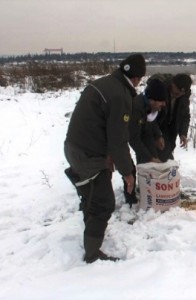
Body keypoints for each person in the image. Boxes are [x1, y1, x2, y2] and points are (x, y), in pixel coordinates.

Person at [64, 54, 146, 263]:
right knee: (103, 203)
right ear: (137, 78)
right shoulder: (120, 96)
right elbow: (118, 139)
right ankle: (92, 254)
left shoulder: (105, 83)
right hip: (88, 155)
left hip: (75, 148)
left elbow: (103, 127)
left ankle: (91, 234)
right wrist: (128, 173)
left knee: (93, 196)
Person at [123, 78, 167, 206]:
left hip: (143, 132)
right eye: (161, 102)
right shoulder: (135, 108)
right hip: (120, 138)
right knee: (128, 167)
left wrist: (158, 136)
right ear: (152, 99)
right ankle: (130, 199)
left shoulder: (150, 106)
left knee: (152, 159)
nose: (163, 104)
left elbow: (151, 122)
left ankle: (149, 192)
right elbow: (134, 139)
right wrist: (149, 157)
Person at [157, 73, 192, 162]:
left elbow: (185, 115)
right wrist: (157, 134)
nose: (179, 94)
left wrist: (183, 133)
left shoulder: (184, 96)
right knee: (162, 157)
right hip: (157, 127)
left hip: (172, 129)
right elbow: (150, 116)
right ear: (172, 84)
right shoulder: (160, 90)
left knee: (167, 155)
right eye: (177, 91)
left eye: (182, 92)